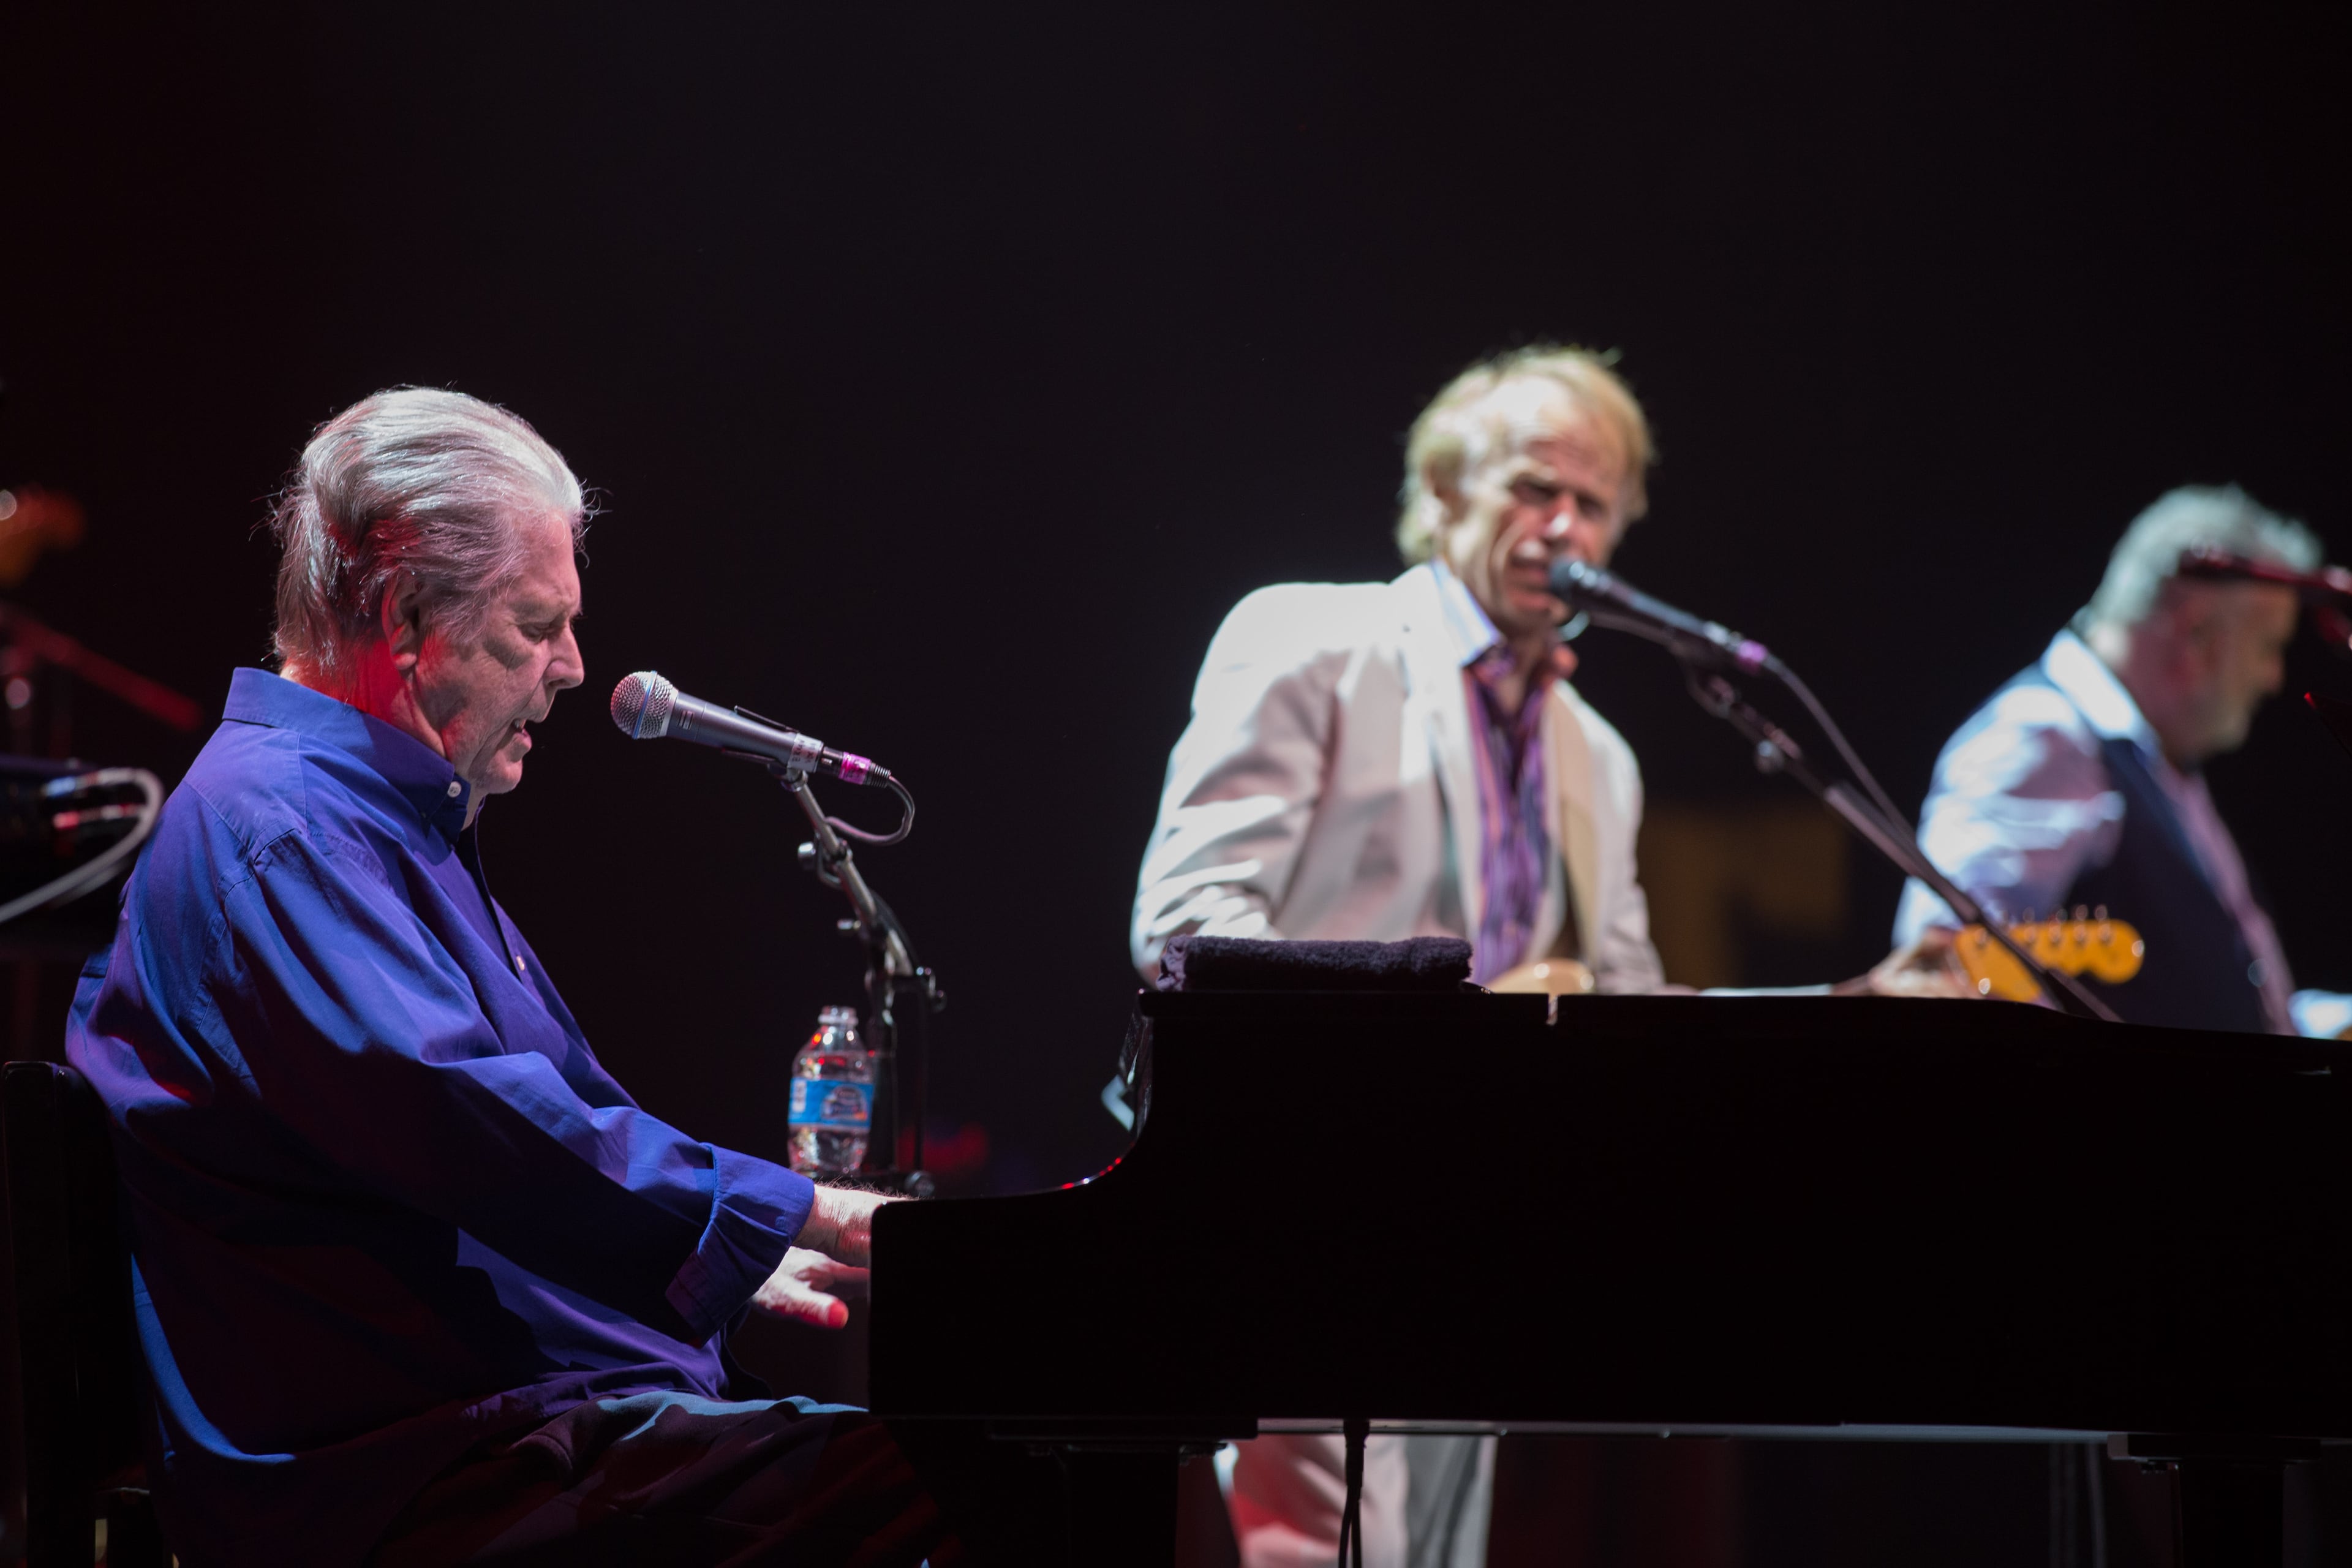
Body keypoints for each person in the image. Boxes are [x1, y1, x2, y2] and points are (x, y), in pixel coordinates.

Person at [66, 389, 1025, 1567]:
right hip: (410, 1480)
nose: (575, 668)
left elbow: (534, 1134)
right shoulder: (282, 830)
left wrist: (725, 1253)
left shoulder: (376, 825)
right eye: (536, 625)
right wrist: (800, 1207)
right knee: (993, 1476)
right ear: (408, 613)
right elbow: (468, 1120)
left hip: (502, 1431)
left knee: (987, 1451)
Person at [1130, 345, 1664, 1568]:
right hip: (1295, 1190)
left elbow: (1632, 1003)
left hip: (1480, 1223)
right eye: (1535, 487)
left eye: (1594, 503)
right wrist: (1457, 1021)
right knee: (1316, 1553)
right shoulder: (1314, 639)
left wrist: (1850, 1002)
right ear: (1441, 489)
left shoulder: (1600, 753)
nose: (1564, 524)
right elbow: (1186, 925)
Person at [1894, 484, 2348, 1035]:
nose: (2274, 679)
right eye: (2267, 646)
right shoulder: (2043, 737)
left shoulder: (2157, 760)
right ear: (2198, 634)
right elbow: (1942, 986)